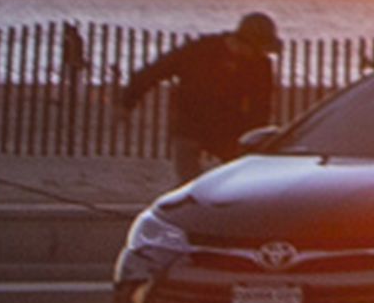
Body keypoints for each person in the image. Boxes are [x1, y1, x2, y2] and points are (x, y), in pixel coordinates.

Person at [120, 12, 283, 185]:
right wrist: (127, 103)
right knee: (189, 180)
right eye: (258, 49)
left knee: (238, 180)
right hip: (190, 123)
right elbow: (156, 71)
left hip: (229, 128)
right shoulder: (201, 50)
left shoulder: (260, 65)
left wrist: (254, 139)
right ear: (244, 42)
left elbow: (260, 107)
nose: (259, 55)